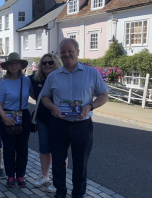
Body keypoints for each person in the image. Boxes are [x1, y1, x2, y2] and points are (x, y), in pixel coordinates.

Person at [41, 38, 109, 198]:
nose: (67, 54)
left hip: (82, 126)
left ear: (77, 52)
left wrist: (90, 106)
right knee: (58, 162)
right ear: (60, 54)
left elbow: (104, 95)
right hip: (58, 124)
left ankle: (78, 194)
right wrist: (53, 107)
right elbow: (44, 97)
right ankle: (60, 192)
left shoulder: (91, 73)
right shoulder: (53, 76)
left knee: (80, 164)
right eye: (63, 52)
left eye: (70, 51)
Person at [29, 53, 68, 192]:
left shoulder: (63, 78)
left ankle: (59, 180)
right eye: (44, 63)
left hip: (60, 121)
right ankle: (45, 176)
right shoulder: (35, 79)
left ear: (56, 63)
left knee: (59, 152)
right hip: (43, 120)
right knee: (44, 149)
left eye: (50, 62)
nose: (47, 65)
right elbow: (33, 94)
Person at [0, 52, 32, 188]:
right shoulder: (3, 83)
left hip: (24, 115)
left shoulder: (27, 80)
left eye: (16, 63)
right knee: (9, 148)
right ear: (7, 67)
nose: (14, 65)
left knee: (22, 148)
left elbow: (37, 94)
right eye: (11, 63)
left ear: (21, 66)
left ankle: (20, 175)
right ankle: (10, 175)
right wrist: (5, 118)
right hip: (7, 115)